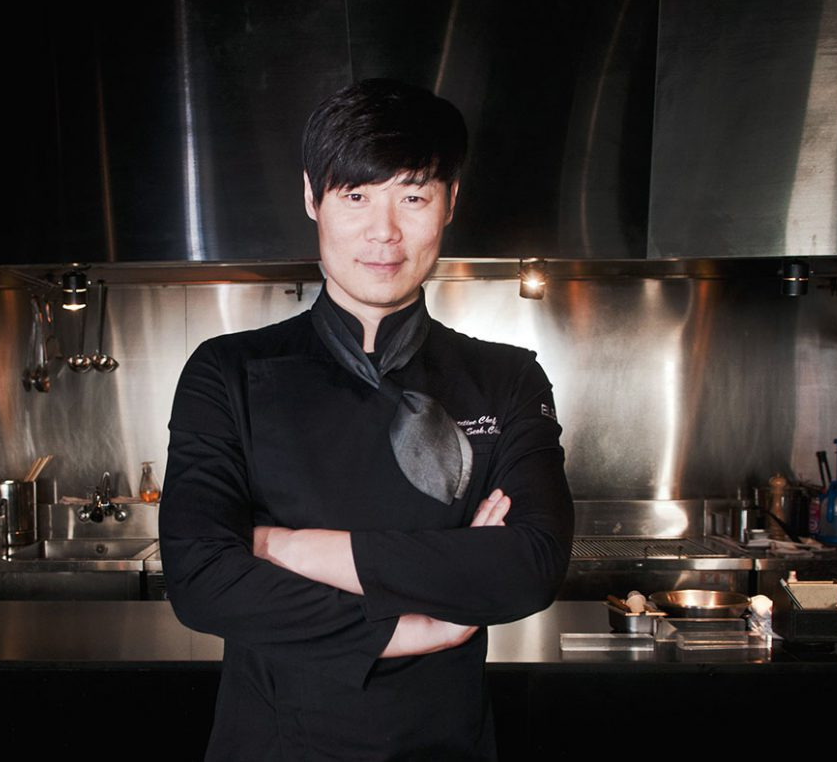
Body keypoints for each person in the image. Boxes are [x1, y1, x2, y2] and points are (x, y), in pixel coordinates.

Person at [159, 78, 574, 761]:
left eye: (413, 196)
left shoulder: (507, 378)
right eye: (356, 195)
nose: (385, 232)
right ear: (312, 198)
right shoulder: (226, 371)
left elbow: (529, 566)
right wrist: (411, 628)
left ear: (449, 203)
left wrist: (287, 548)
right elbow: (200, 579)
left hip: (443, 746)